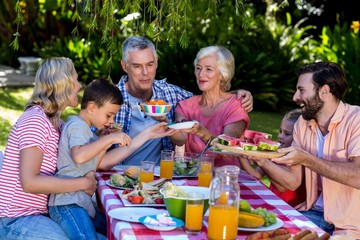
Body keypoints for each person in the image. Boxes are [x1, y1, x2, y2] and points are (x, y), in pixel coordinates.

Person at [48, 79, 173, 239]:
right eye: (109, 115)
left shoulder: (89, 133)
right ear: (92, 108)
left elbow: (102, 163)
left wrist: (147, 134)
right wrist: (107, 140)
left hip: (80, 203)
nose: (112, 121)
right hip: (66, 204)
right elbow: (79, 156)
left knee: (117, 227)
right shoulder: (77, 125)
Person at [114, 36, 253, 165]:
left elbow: (210, 97)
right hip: (117, 175)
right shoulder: (110, 100)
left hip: (158, 177)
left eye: (150, 64)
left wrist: (234, 95)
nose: (145, 72)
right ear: (125, 66)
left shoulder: (169, 94)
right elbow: (92, 141)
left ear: (156, 63)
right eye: (137, 66)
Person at [0, 57, 97, 239]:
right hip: (15, 219)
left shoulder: (57, 124)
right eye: (75, 80)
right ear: (63, 85)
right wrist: (84, 183)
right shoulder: (35, 121)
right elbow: (30, 183)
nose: (79, 86)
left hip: (40, 214)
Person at [272, 62, 360, 237]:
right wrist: (257, 157)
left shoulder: (356, 120)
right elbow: (292, 181)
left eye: (301, 90)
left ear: (324, 91)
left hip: (351, 225)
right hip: (315, 215)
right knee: (267, 231)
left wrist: (307, 159)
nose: (295, 97)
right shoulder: (302, 125)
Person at [169, 45, 250, 167]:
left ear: (222, 74)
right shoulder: (185, 106)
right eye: (198, 68)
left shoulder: (236, 105)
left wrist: (201, 132)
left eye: (208, 69)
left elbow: (226, 147)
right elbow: (180, 140)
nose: (201, 74)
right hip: (192, 176)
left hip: (225, 177)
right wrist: (165, 122)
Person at [239, 109, 306, 208]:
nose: (280, 136)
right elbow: (256, 174)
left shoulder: (298, 159)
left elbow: (282, 187)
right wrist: (241, 153)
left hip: (288, 207)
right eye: (280, 131)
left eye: (286, 134)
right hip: (272, 199)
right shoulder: (275, 151)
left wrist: (262, 161)